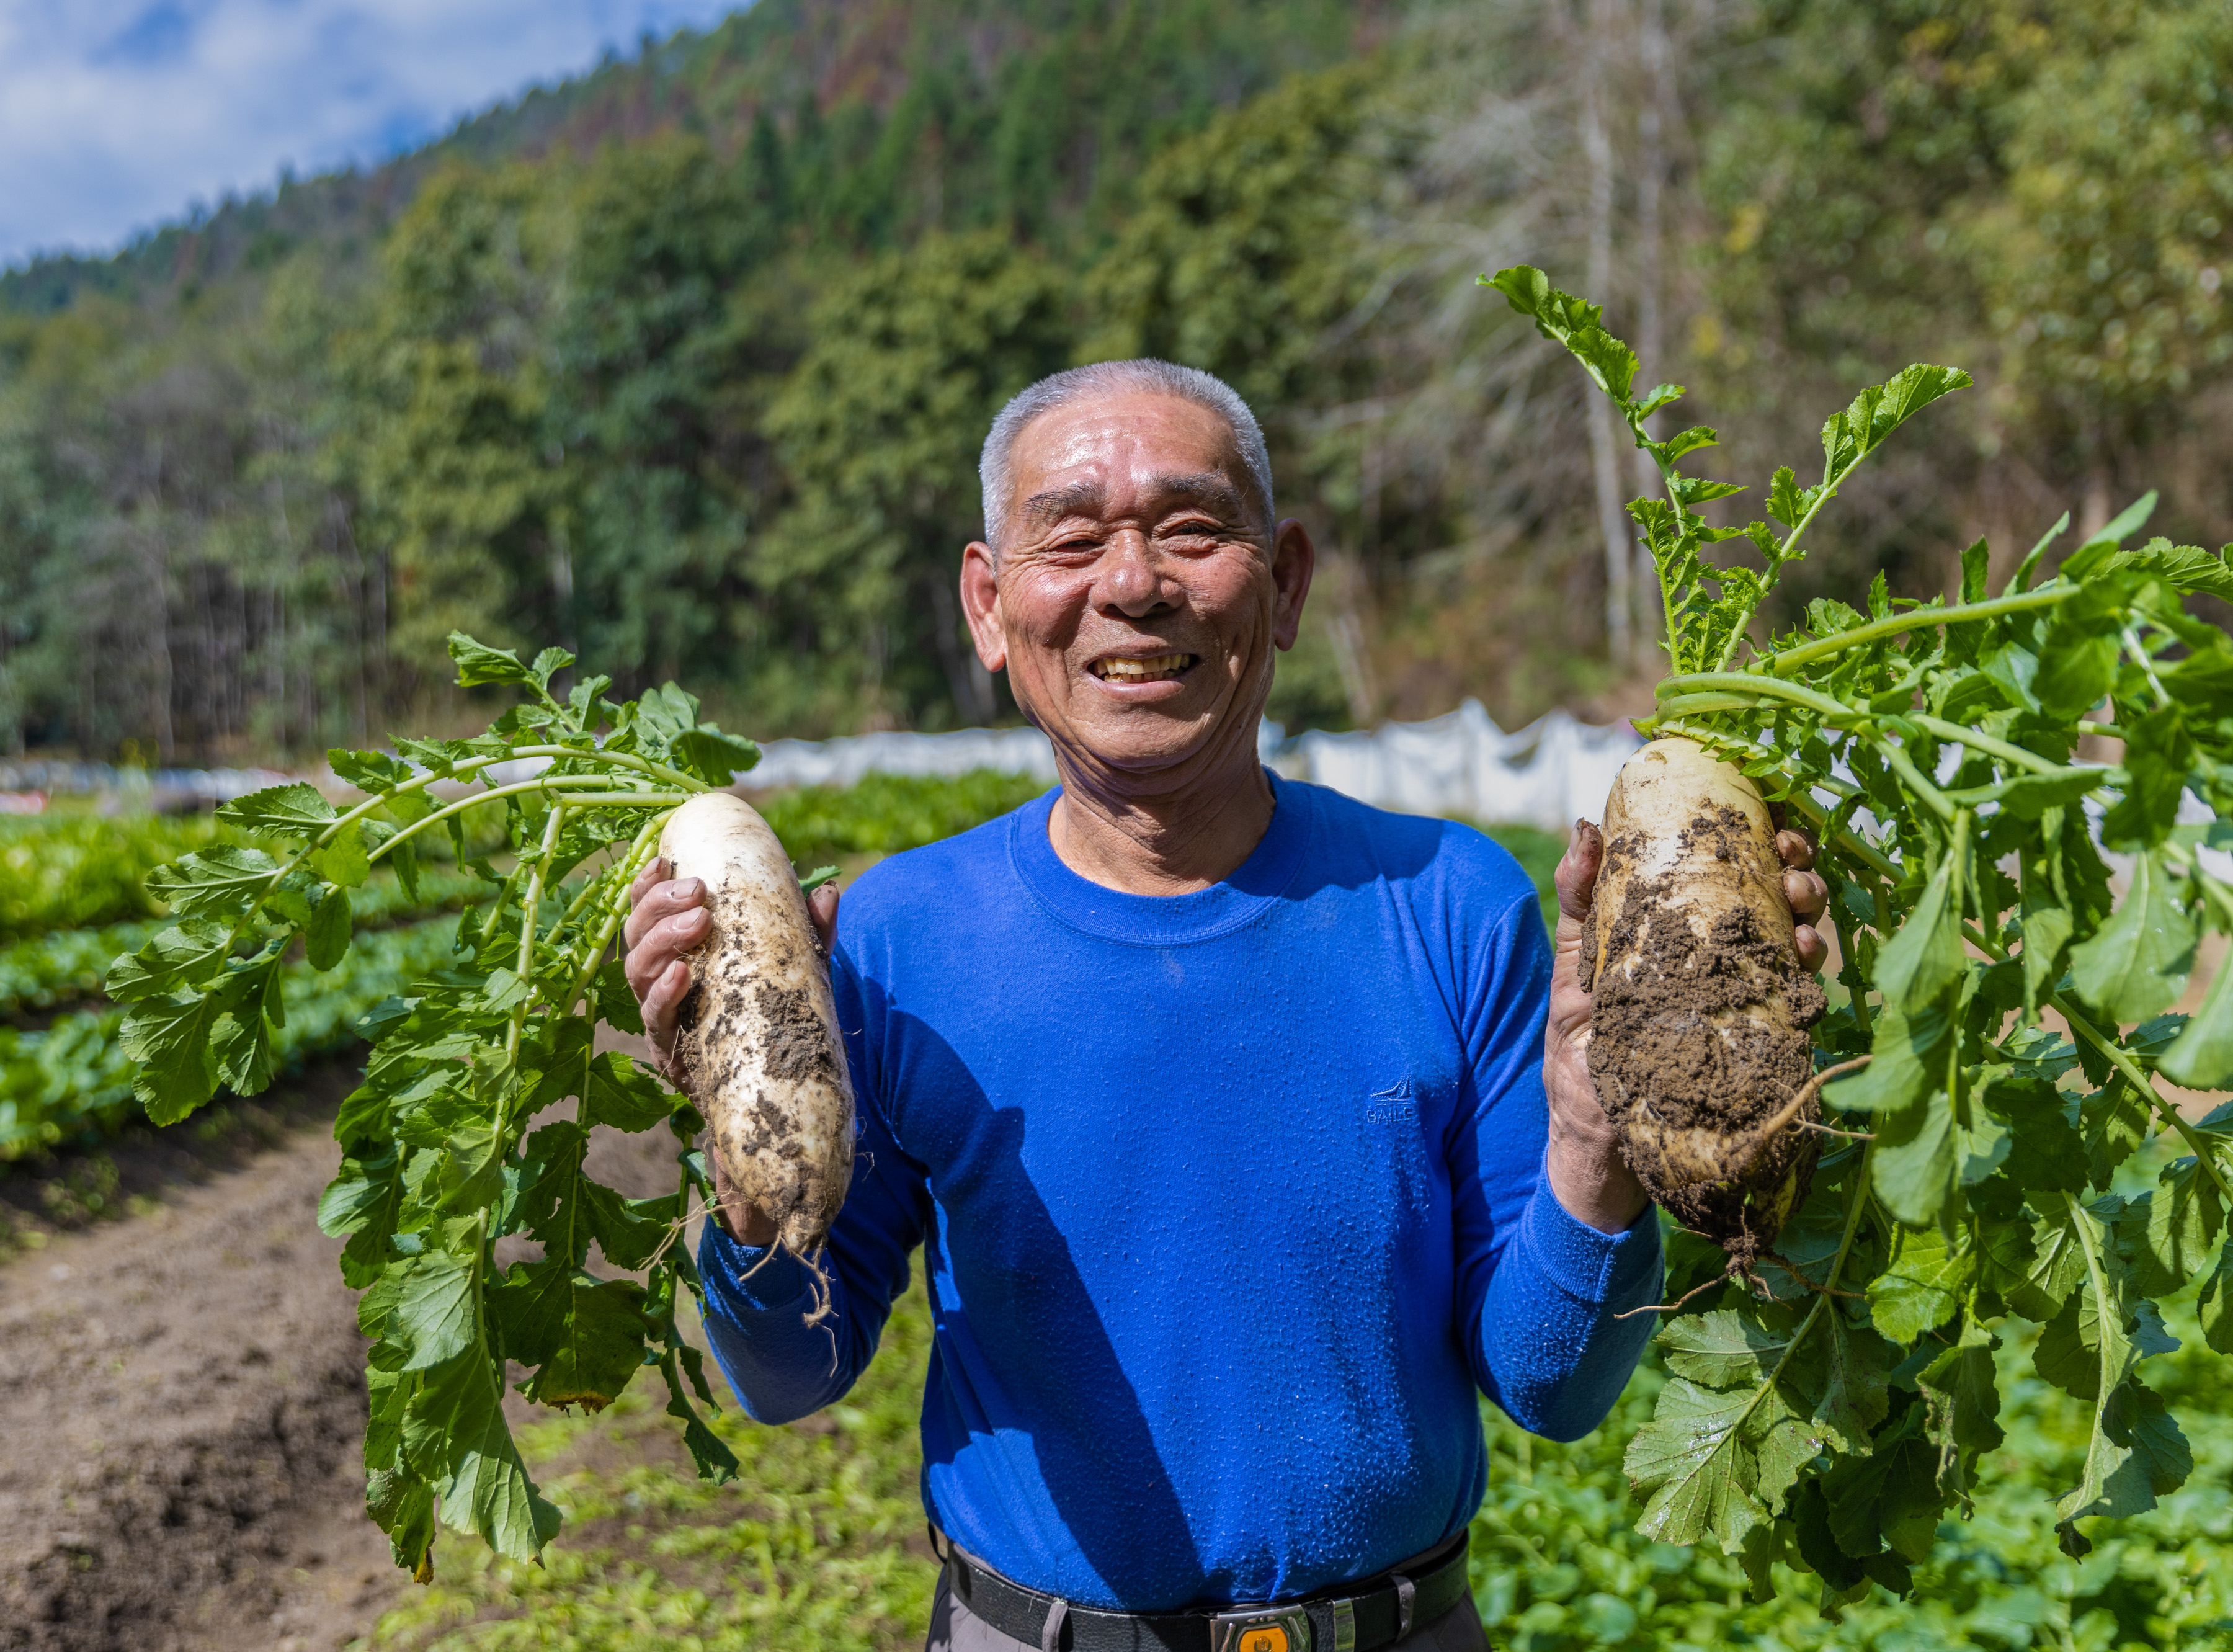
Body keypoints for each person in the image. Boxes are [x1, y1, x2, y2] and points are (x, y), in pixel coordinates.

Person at [623, 360, 1830, 1652]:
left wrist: (1598, 1147)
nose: (1132, 585)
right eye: (1071, 539)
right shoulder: (899, 937)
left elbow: (1550, 1387)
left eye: (1192, 530)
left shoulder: (1451, 902)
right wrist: (743, 1179)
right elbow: (793, 1375)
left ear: (1287, 581)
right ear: (989, 606)